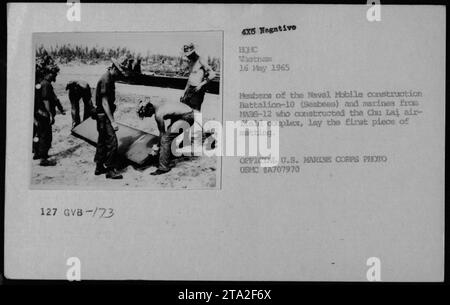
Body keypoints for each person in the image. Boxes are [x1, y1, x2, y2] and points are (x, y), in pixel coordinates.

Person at [137, 97, 195, 175]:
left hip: (187, 117)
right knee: (169, 132)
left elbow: (162, 134)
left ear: (150, 107)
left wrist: (156, 147)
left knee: (165, 139)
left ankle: (163, 168)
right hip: (184, 113)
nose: (147, 116)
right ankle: (168, 155)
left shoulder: (158, 114)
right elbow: (174, 112)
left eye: (146, 113)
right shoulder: (159, 105)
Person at [93, 59, 126, 179]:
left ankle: (99, 166)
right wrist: (112, 121)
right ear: (114, 69)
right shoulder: (106, 79)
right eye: (119, 73)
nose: (119, 76)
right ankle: (110, 170)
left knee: (102, 141)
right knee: (112, 142)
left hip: (101, 115)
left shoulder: (109, 78)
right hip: (104, 116)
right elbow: (105, 102)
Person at [33, 68, 66, 166]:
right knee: (46, 136)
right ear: (49, 74)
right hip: (44, 114)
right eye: (54, 74)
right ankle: (43, 159)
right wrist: (50, 114)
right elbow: (46, 100)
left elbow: (54, 99)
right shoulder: (46, 84)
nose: (55, 76)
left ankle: (37, 154)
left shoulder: (43, 83)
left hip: (39, 113)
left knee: (39, 133)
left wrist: (60, 108)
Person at [180, 43, 216, 112]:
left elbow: (212, 74)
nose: (187, 57)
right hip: (189, 89)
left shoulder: (200, 60)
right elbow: (190, 78)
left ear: (193, 53)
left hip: (197, 90)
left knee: (195, 113)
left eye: (189, 55)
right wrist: (184, 92)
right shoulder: (190, 62)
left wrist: (200, 85)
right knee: (185, 112)